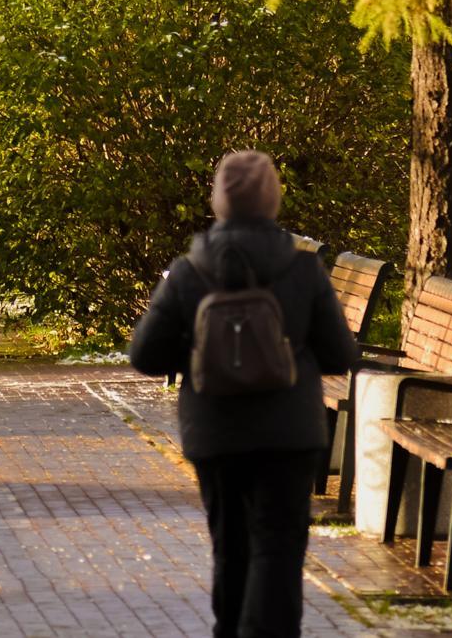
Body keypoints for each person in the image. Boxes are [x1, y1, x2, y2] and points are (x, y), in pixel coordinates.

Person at [129, 149, 354, 638]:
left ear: (219, 201)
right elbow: (340, 355)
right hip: (290, 433)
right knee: (279, 545)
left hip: (215, 432)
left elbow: (145, 355)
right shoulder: (302, 270)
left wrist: (201, 357)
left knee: (229, 545)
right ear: (273, 200)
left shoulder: (189, 272)